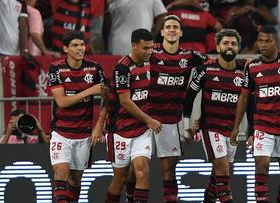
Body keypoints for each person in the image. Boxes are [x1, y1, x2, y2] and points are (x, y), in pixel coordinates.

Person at [231, 25, 280, 203]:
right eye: (260, 40)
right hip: (263, 126)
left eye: (268, 41)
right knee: (261, 166)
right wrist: (236, 128)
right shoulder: (253, 67)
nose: (263, 45)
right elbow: (243, 98)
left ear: (276, 41)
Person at [145, 15, 208, 203]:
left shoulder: (189, 57)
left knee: (169, 171)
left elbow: (215, 65)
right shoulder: (151, 52)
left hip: (170, 122)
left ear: (181, 33)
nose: (171, 29)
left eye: (175, 27)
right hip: (145, 119)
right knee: (137, 169)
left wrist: (240, 64)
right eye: (168, 27)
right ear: (162, 32)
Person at [97, 29, 161, 203]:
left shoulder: (151, 62)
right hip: (120, 130)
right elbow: (125, 102)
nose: (149, 52)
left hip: (141, 130)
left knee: (142, 170)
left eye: (151, 48)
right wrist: (149, 120)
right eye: (144, 48)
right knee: (121, 179)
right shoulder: (122, 68)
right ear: (133, 45)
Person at [183, 28, 245, 203]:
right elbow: (189, 96)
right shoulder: (205, 70)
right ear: (217, 47)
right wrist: (187, 124)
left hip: (232, 130)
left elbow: (251, 103)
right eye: (225, 43)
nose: (229, 47)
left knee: (216, 176)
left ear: (238, 48)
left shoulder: (244, 72)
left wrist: (251, 131)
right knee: (223, 169)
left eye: (233, 44)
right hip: (210, 127)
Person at [48, 30, 106, 203]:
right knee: (60, 175)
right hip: (61, 133)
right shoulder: (56, 68)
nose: (80, 48)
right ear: (65, 48)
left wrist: (99, 125)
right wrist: (90, 91)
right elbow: (62, 102)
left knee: (75, 179)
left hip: (84, 134)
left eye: (82, 44)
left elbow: (108, 99)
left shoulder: (95, 68)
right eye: (75, 45)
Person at [103, 0, 167, 55]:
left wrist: (105, 45)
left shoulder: (114, 1)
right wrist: (153, 34)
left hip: (117, 44)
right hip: (142, 43)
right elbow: (162, 16)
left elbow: (107, 21)